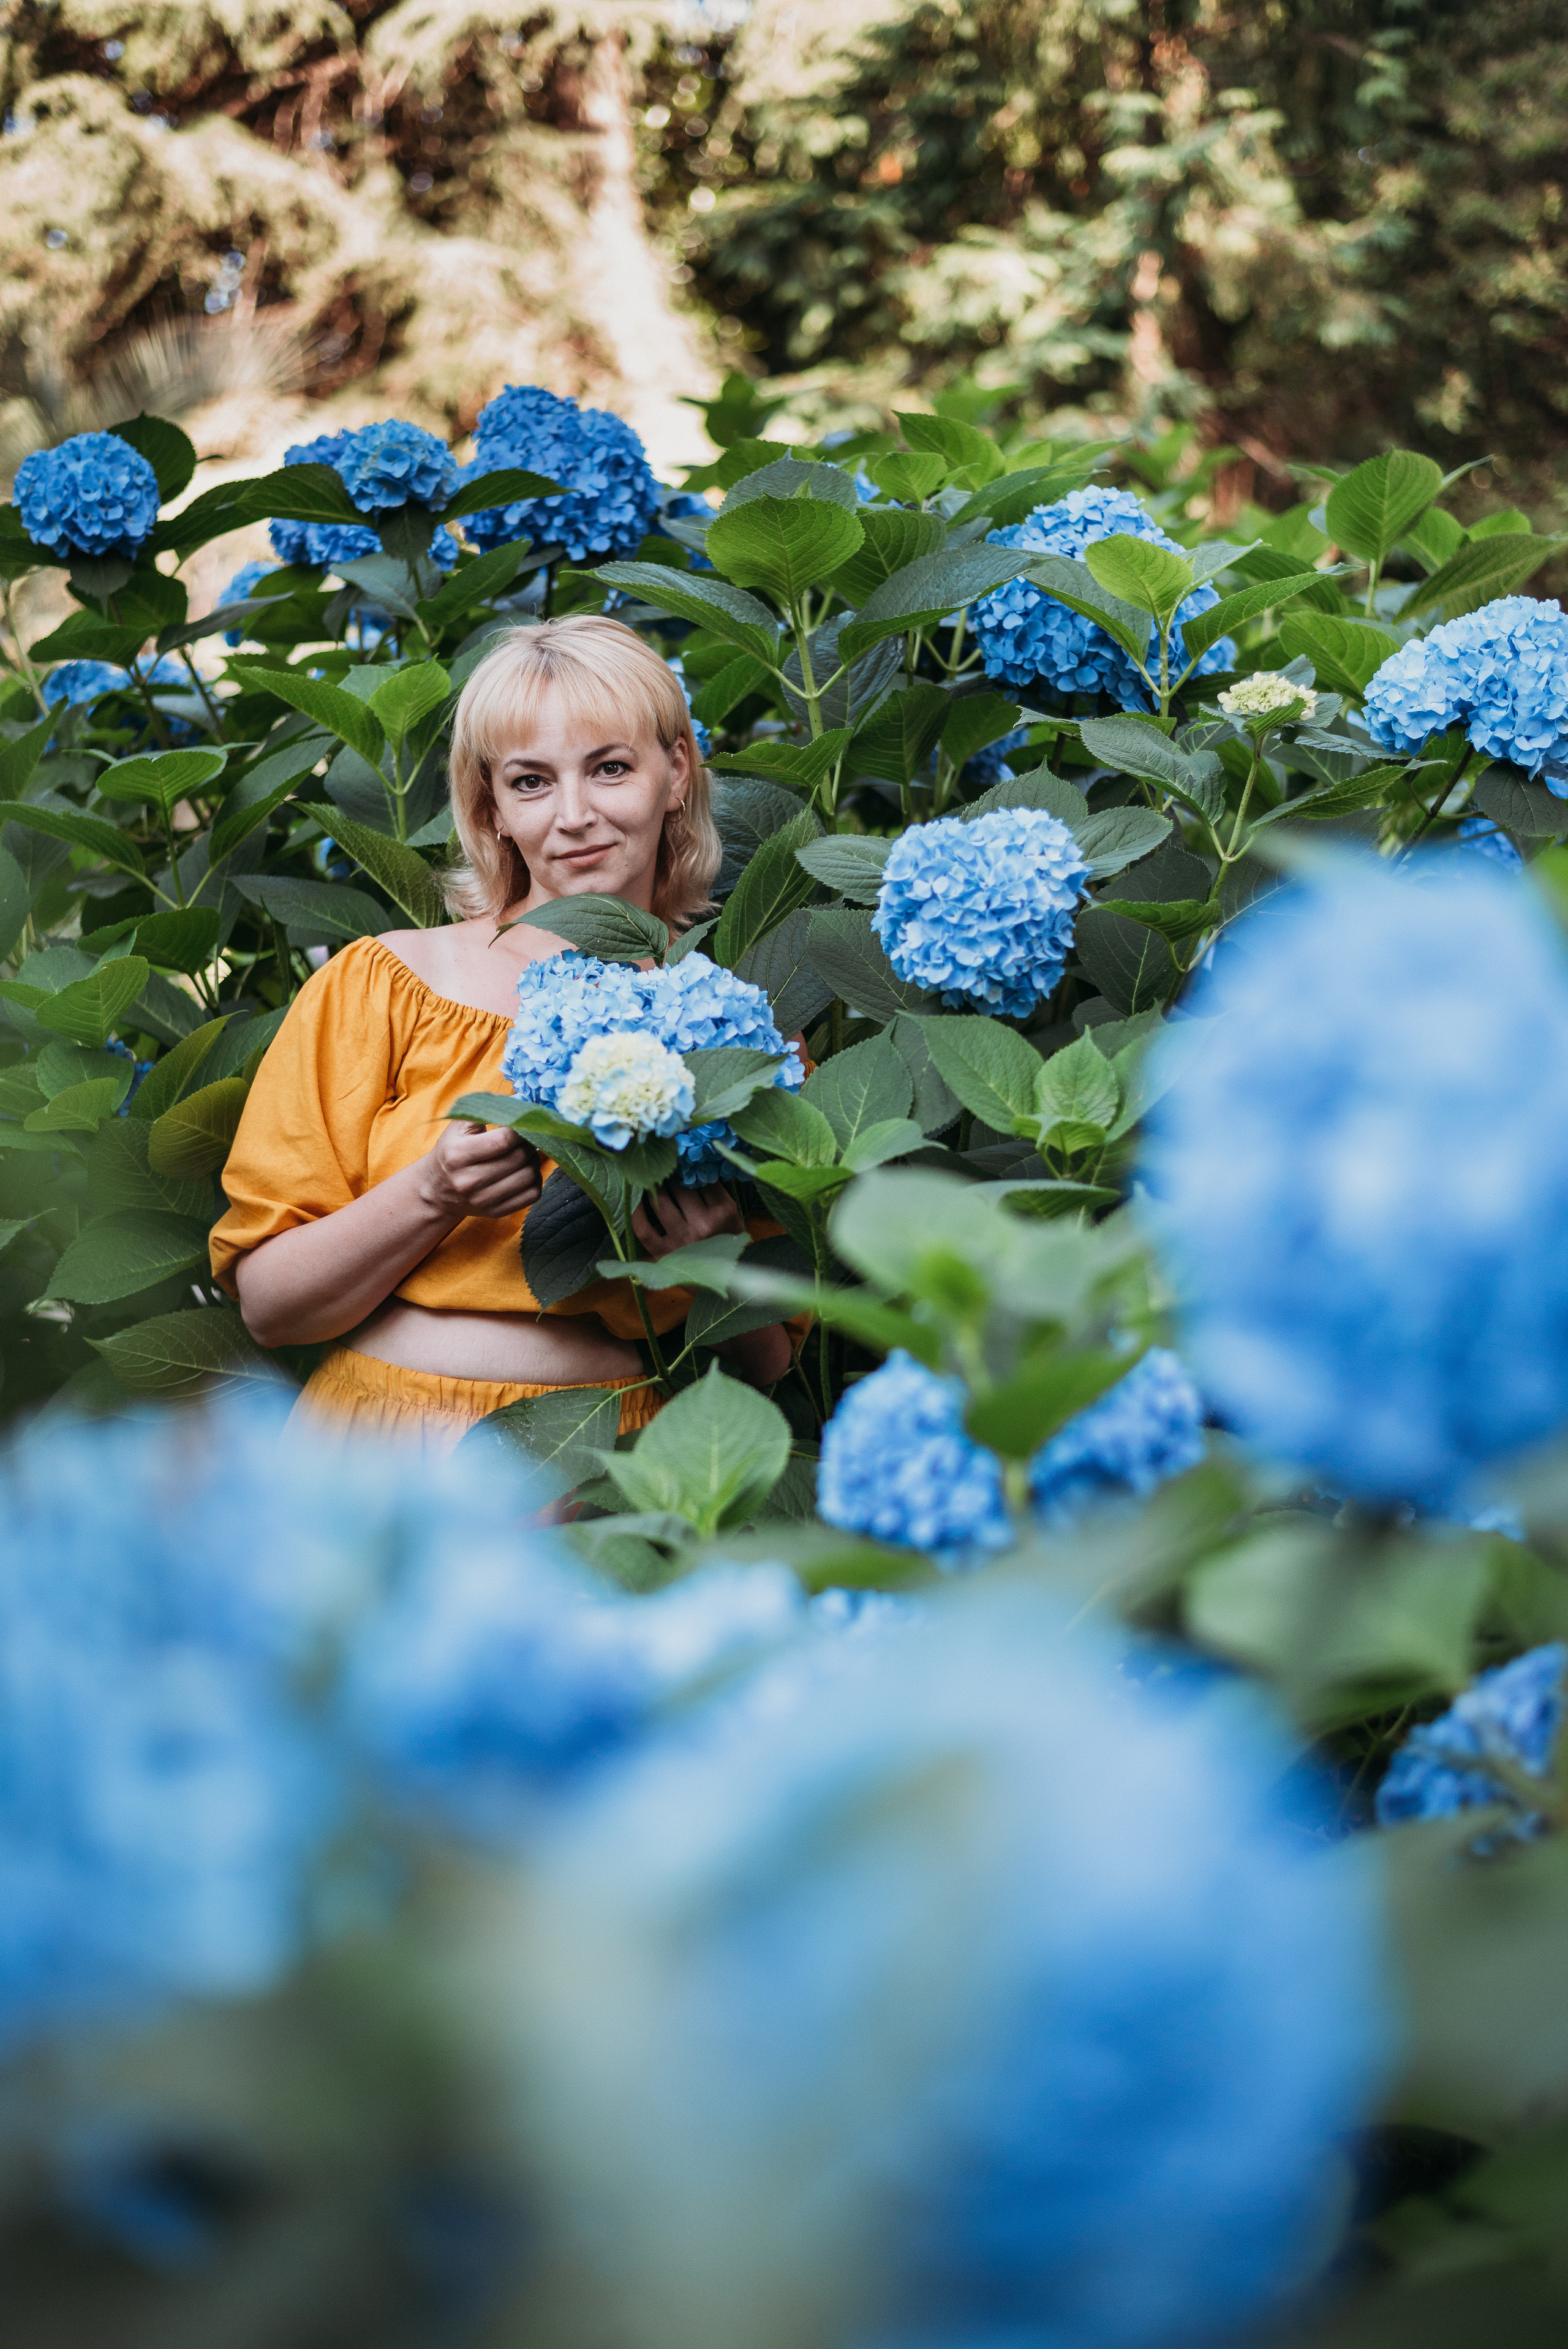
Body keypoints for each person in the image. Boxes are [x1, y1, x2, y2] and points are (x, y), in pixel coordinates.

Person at [210, 615, 795, 1454]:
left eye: (611, 768)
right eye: (531, 781)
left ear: (676, 773)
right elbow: (271, 1308)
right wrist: (432, 1193)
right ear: (490, 808)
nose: (575, 815)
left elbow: (772, 1366)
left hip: (616, 1465)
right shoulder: (384, 984)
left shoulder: (734, 1031)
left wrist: (720, 1262)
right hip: (381, 1454)